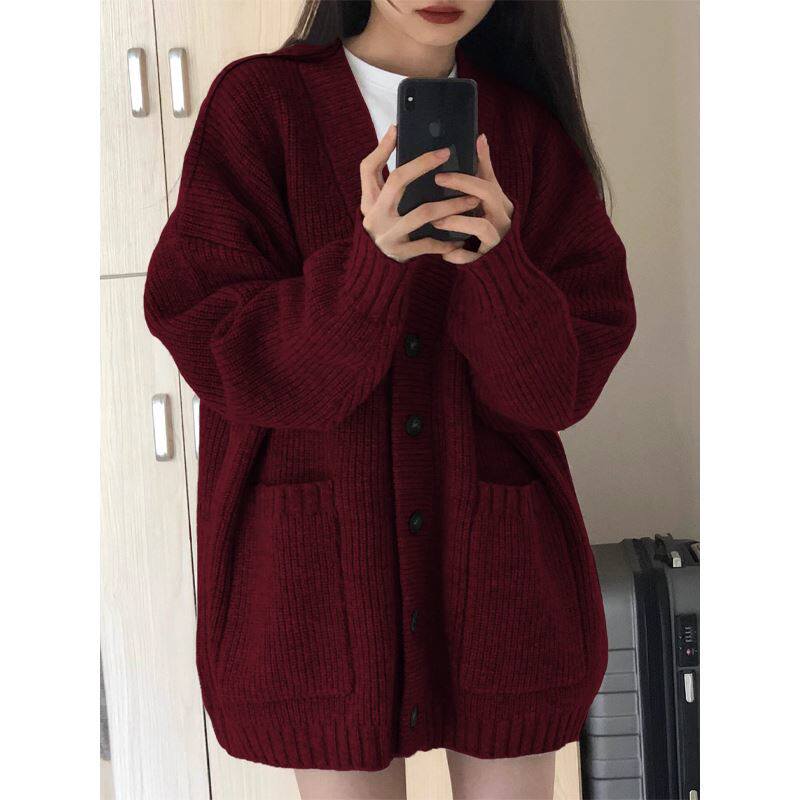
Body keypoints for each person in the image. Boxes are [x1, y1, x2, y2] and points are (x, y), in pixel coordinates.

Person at [143, 2, 637, 798]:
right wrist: (368, 267)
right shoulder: (261, 105)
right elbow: (217, 341)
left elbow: (557, 389)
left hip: (502, 583)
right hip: (321, 588)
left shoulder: (527, 131)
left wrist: (500, 266)